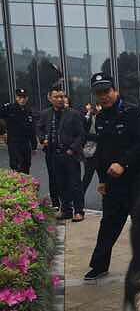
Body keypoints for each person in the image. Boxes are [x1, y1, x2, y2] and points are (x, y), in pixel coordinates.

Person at [84, 72, 140, 281]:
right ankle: (99, 265)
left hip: (137, 180)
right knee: (108, 226)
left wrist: (123, 163)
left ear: (115, 90)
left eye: (107, 91)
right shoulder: (100, 118)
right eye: (99, 93)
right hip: (113, 183)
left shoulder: (132, 113)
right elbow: (100, 153)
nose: (104, 96)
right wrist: (102, 180)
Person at [37, 82, 85, 221]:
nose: (60, 99)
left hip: (70, 154)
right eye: (56, 97)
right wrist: (42, 139)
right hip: (53, 154)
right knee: (60, 183)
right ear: (50, 98)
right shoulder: (46, 114)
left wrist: (72, 149)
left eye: (62, 96)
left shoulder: (73, 114)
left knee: (75, 183)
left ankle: (79, 211)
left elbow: (81, 135)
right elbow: (39, 128)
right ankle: (66, 210)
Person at [0, 88, 37, 173]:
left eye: (24, 97)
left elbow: (31, 129)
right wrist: (2, 132)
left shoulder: (28, 111)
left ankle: (26, 185)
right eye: (20, 97)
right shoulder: (9, 108)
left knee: (26, 165)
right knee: (17, 166)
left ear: (27, 98)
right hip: (14, 142)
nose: (22, 99)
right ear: (16, 97)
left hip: (25, 143)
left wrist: (34, 145)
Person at [82, 101, 100, 193]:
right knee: (87, 177)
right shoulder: (88, 119)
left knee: (105, 178)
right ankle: (79, 199)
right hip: (90, 152)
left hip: (102, 152)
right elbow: (84, 134)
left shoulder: (103, 118)